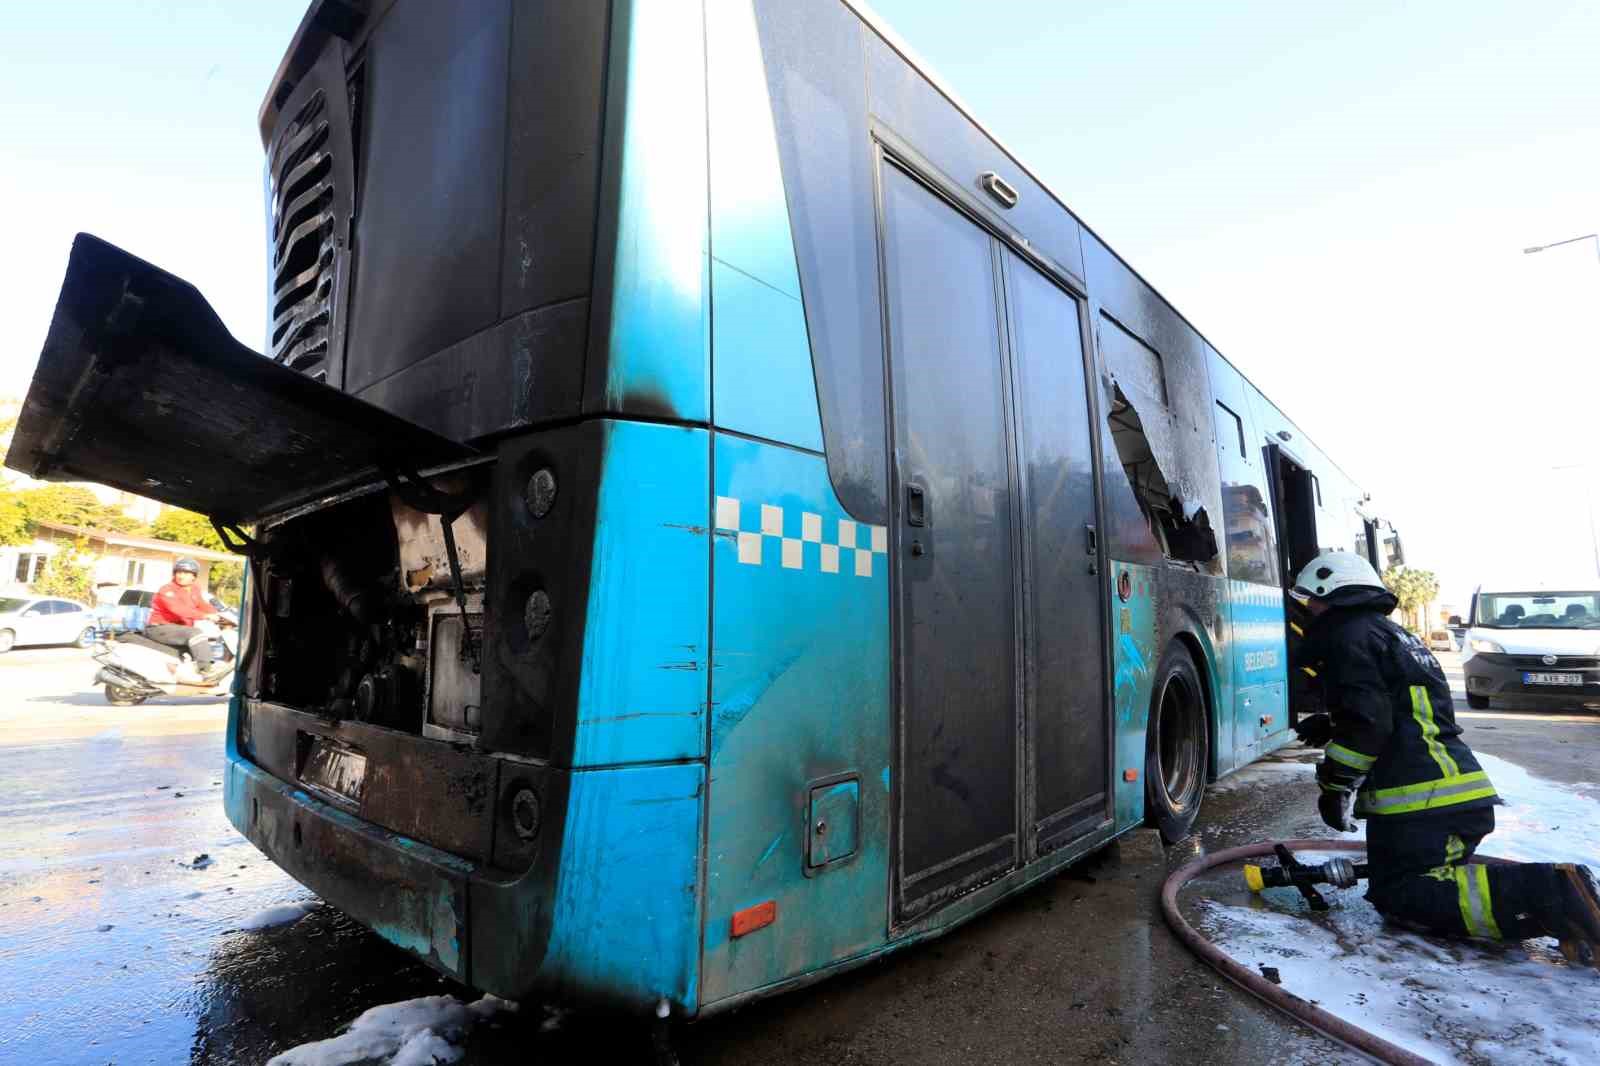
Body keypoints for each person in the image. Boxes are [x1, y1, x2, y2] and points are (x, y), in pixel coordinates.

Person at [1290, 549, 1600, 966]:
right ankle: (1561, 900)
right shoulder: (1393, 635)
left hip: (1424, 801)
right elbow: (1405, 711)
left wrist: (1335, 783)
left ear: (1332, 595)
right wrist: (1334, 723)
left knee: (1403, 893)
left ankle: (1552, 896)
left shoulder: (1346, 638)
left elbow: (1370, 724)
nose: (1308, 609)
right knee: (1401, 887)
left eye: (1312, 600)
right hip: (1448, 793)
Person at [145, 558, 229, 681]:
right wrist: (205, 616)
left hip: (178, 629)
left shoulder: (194, 589)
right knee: (195, 633)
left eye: (185, 573)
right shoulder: (167, 589)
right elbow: (178, 609)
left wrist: (221, 616)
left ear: (194, 576)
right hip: (159, 627)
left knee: (198, 643)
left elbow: (202, 605)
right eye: (178, 572)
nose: (181, 576)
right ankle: (206, 670)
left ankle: (193, 676)